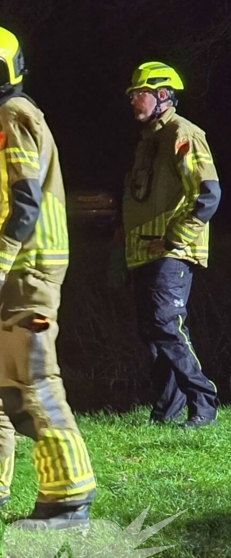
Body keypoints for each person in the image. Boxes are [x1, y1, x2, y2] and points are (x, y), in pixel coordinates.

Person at [0, 22, 95, 528]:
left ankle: (68, 496)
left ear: (8, 70)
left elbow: (24, 202)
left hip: (24, 272)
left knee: (34, 380)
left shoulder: (14, 115)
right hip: (2, 273)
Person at [122, 62, 220, 428]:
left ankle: (204, 402)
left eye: (139, 94)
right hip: (144, 253)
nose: (133, 101)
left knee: (166, 324)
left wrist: (177, 237)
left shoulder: (185, 134)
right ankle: (166, 410)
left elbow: (208, 195)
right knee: (154, 331)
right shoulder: (149, 140)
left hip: (172, 252)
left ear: (162, 96)